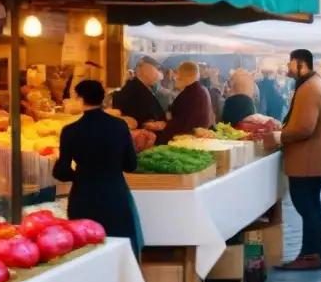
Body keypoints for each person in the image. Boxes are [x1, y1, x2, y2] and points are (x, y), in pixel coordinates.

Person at [265, 49, 321, 271]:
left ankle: (311, 255)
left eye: (290, 64)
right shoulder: (319, 84)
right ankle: (319, 252)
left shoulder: (310, 89)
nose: (287, 68)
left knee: (307, 206)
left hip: (308, 158)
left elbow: (305, 128)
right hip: (317, 157)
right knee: (313, 205)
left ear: (301, 64)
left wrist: (278, 135)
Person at [53, 80, 142, 255]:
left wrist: (79, 175)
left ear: (79, 99)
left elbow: (61, 171)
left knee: (85, 250)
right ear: (103, 99)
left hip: (84, 197)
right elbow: (131, 165)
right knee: (118, 247)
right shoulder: (119, 126)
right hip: (115, 195)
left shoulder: (71, 131)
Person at [159, 61, 215, 143]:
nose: (175, 78)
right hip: (198, 140)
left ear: (189, 76)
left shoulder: (190, 94)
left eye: (178, 75)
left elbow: (182, 124)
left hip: (187, 141)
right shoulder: (201, 90)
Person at [112, 58, 167, 132]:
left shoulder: (142, 88)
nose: (158, 75)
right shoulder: (133, 90)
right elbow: (135, 118)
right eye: (156, 70)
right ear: (144, 72)